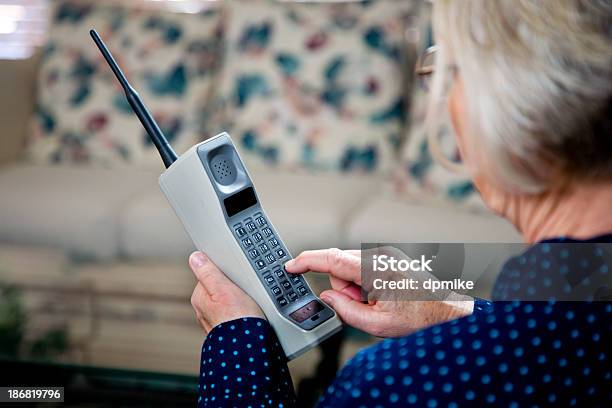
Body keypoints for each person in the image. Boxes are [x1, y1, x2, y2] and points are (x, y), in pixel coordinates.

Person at [189, 1, 612, 406]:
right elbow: (558, 332)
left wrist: (237, 352)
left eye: (449, 72)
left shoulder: (392, 387)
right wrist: (449, 312)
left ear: (507, 110)